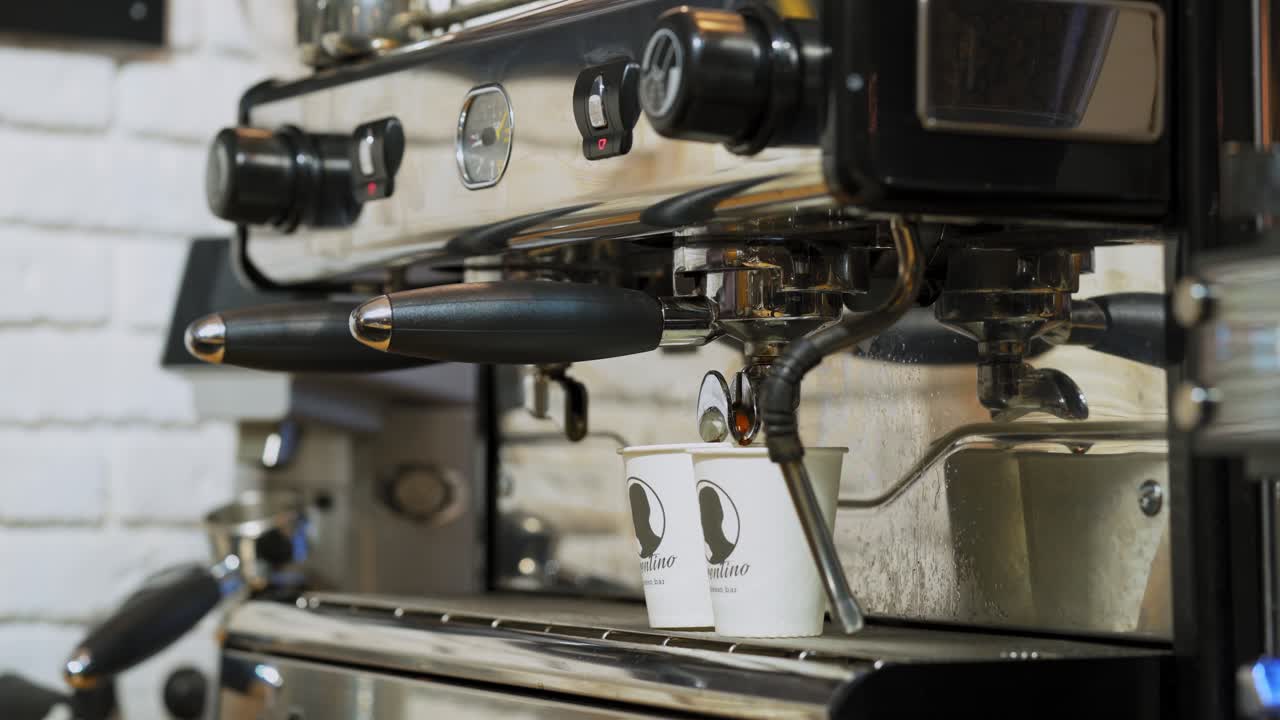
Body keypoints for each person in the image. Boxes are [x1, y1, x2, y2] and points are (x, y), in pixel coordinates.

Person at [699, 485, 736, 564]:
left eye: (710, 514)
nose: (705, 523)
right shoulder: (713, 558)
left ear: (720, 515)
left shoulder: (734, 551)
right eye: (703, 514)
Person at [628, 482, 663, 558]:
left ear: (646, 510)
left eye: (637, 511)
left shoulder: (660, 544)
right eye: (632, 511)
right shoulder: (643, 551)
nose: (634, 519)